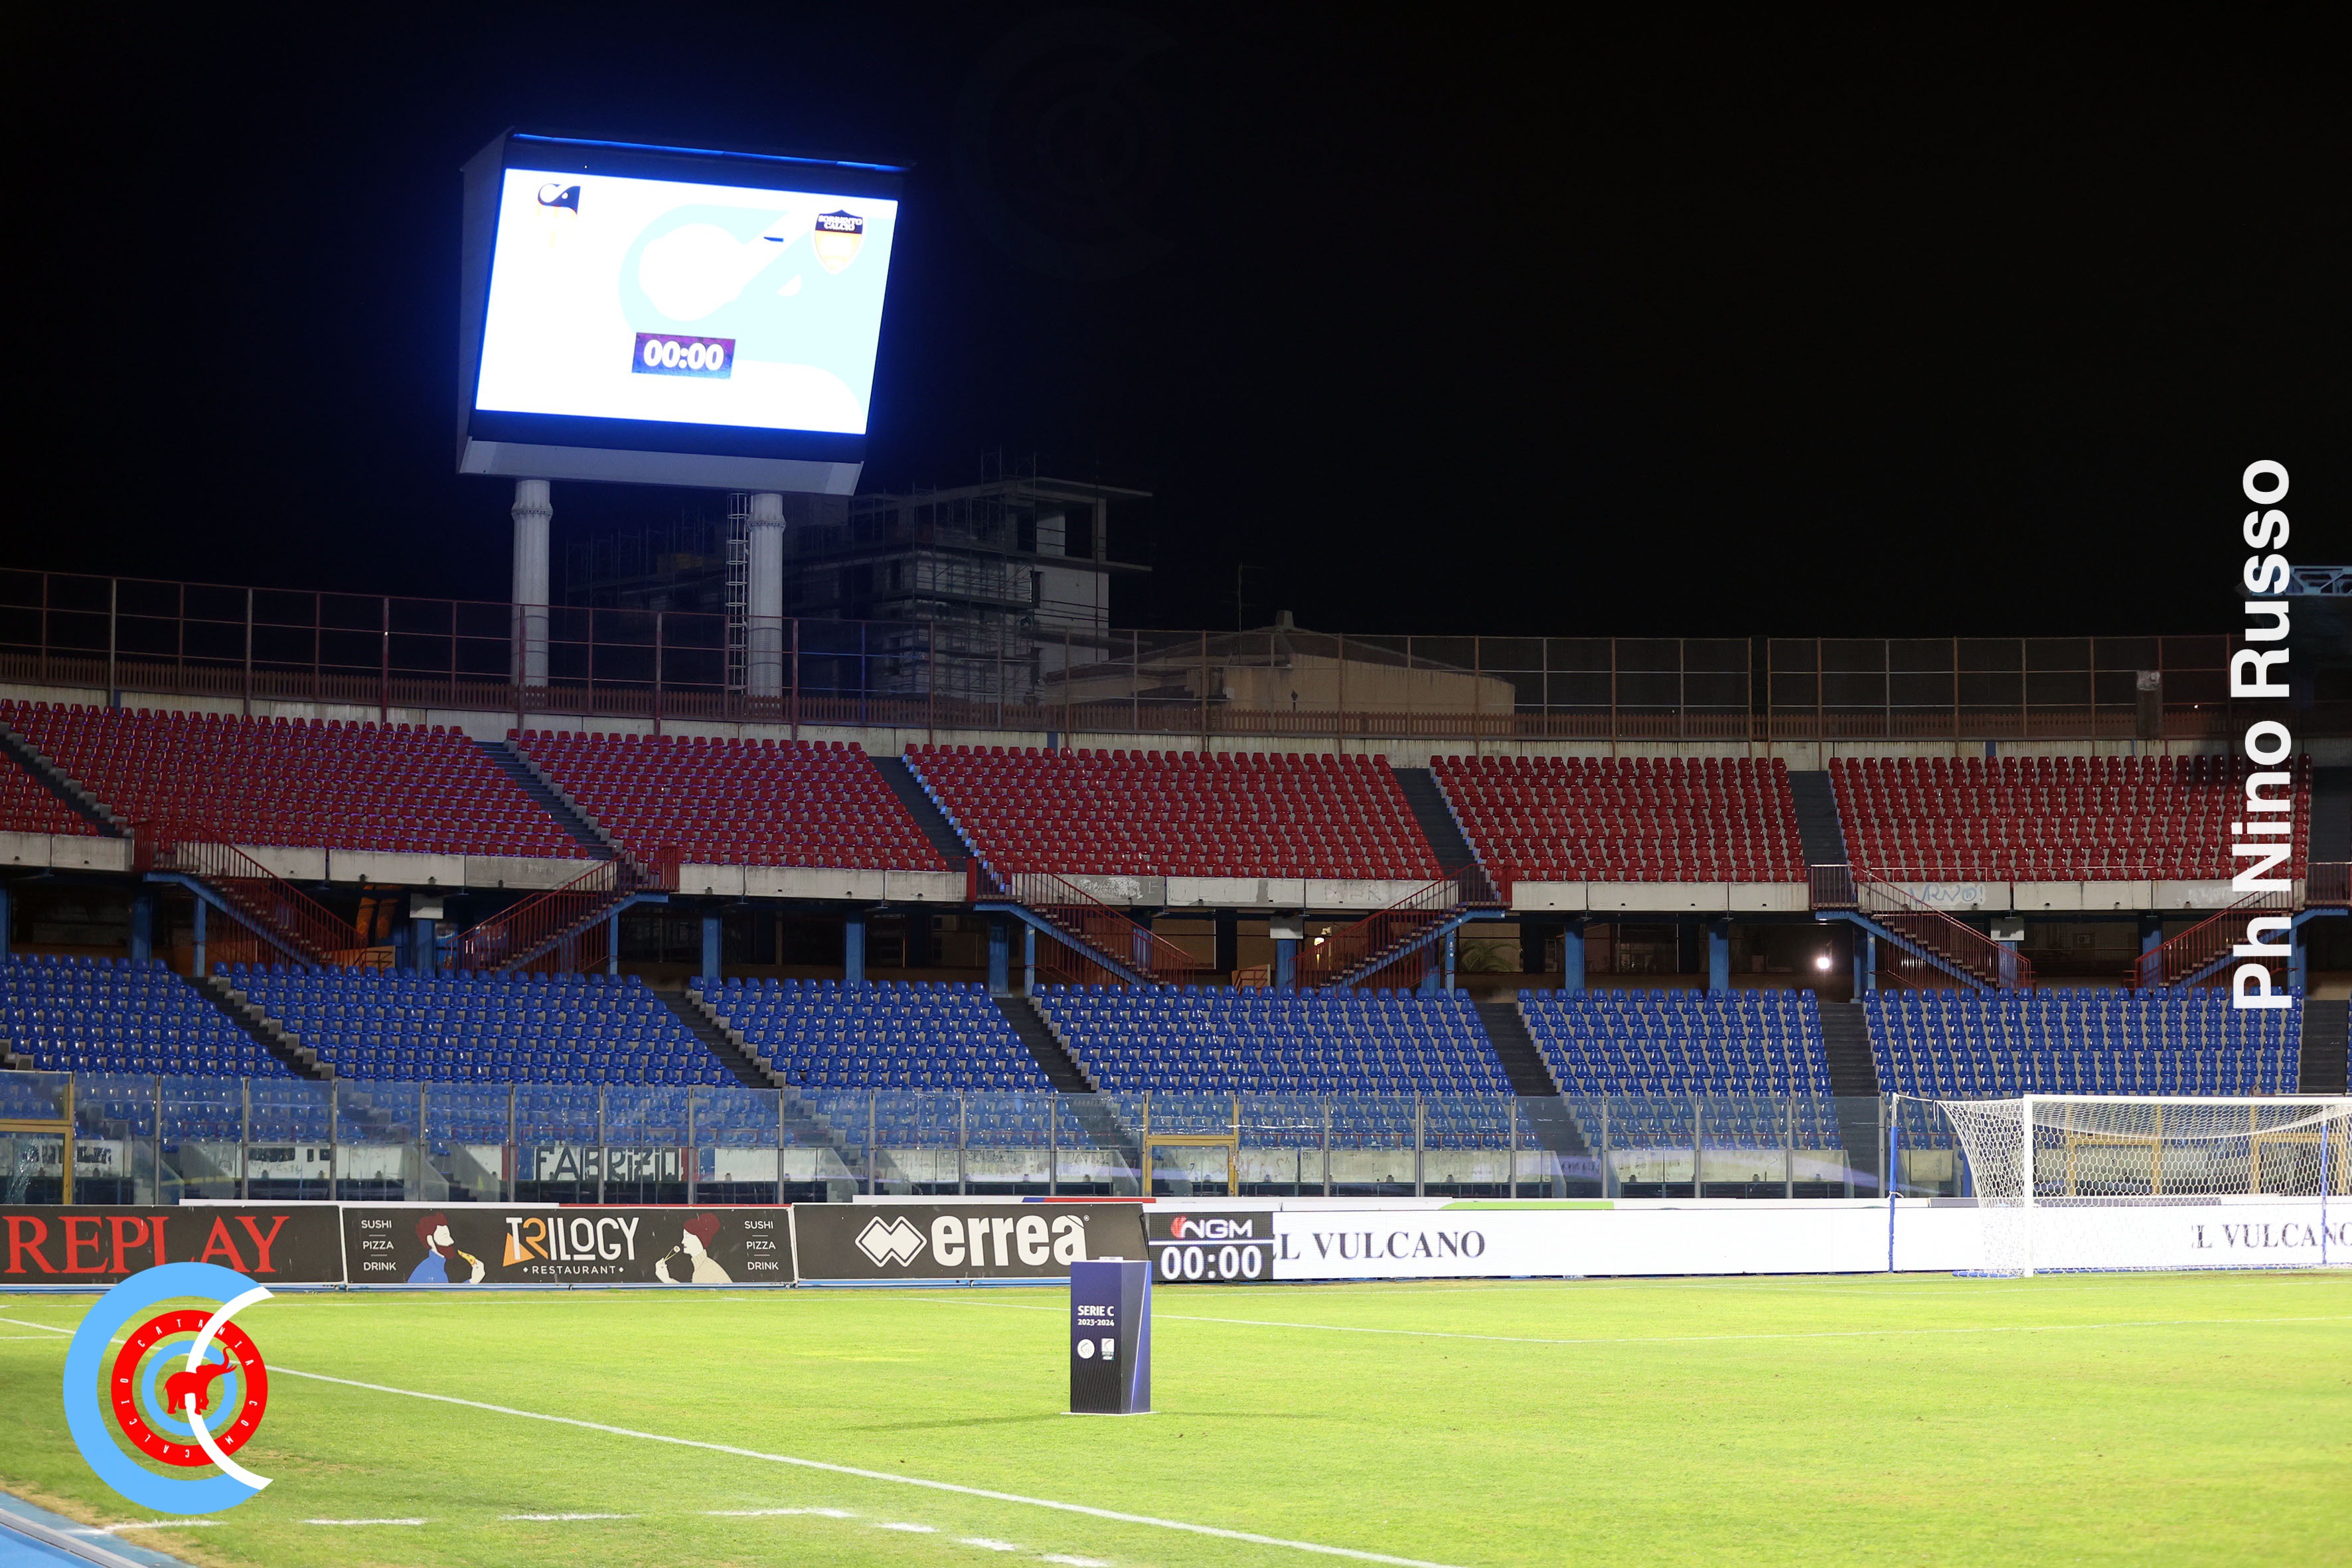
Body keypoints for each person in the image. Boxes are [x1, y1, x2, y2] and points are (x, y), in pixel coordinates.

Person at [408, 1213, 487, 1284]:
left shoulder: (440, 1267)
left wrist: (473, 1281)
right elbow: (446, 1295)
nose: (452, 1242)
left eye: (449, 1236)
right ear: (430, 1240)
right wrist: (473, 1281)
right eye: (445, 1236)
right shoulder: (428, 1272)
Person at [653, 1213, 732, 1284]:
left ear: (700, 1239)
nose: (683, 1242)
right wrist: (667, 1280)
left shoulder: (705, 1270)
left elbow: (691, 1295)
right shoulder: (703, 1267)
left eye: (687, 1237)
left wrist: (667, 1280)